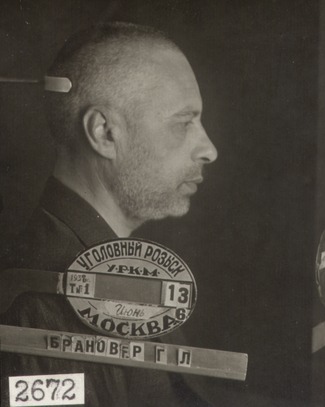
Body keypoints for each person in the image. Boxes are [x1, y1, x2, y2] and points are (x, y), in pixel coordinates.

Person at [1, 22, 217, 406]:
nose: (209, 149)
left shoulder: (120, 270)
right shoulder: (40, 305)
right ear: (104, 133)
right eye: (183, 123)